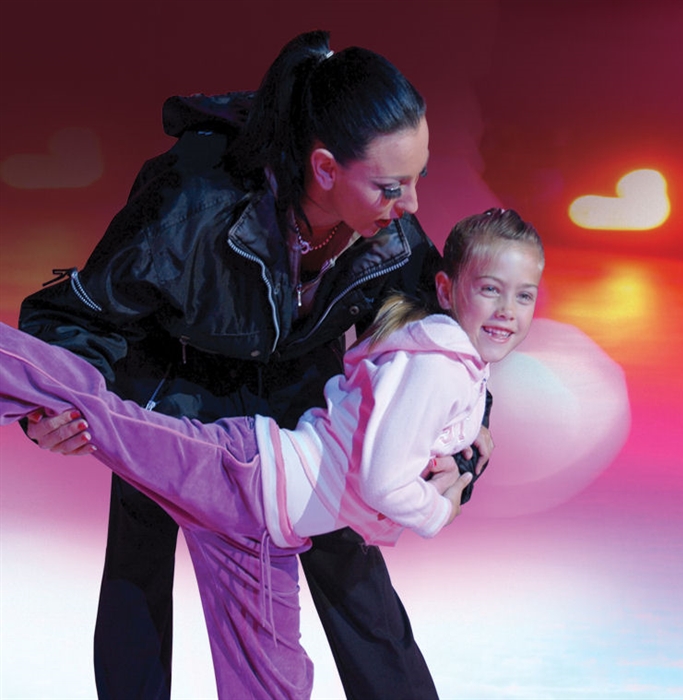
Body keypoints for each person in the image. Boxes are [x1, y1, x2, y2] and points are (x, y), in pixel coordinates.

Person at [17, 30, 492, 700]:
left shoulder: (390, 230)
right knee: (138, 563)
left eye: (419, 177)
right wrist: (48, 412)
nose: (412, 204)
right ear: (325, 167)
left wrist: (470, 445)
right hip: (172, 391)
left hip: (302, 401)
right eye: (392, 184)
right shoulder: (192, 200)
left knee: (354, 573)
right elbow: (71, 314)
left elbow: (442, 342)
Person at [1, 208, 543, 700]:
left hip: (271, 527)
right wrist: (436, 510)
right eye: (493, 290)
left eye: (525, 295)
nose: (405, 198)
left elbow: (443, 397)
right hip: (244, 467)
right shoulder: (439, 361)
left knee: (276, 683)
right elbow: (385, 477)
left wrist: (469, 453)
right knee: (105, 420)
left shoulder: (436, 323)